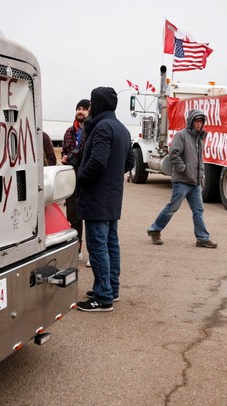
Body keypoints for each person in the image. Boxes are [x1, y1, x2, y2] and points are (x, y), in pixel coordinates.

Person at [76, 86, 134, 312]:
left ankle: (102, 297)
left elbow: (97, 162)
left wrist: (79, 178)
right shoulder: (121, 128)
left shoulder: (101, 127)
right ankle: (111, 288)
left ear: (97, 104)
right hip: (112, 196)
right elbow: (129, 162)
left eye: (91, 103)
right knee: (111, 243)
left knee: (98, 245)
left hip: (97, 197)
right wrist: (112, 175)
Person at [147, 109, 218, 249]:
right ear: (191, 121)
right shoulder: (181, 136)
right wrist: (183, 170)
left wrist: (200, 173)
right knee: (172, 208)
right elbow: (173, 154)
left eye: (201, 121)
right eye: (197, 121)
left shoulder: (199, 138)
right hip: (182, 181)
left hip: (195, 182)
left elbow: (198, 160)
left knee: (198, 210)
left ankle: (202, 238)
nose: (199, 124)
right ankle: (155, 230)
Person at [61, 99, 90, 261]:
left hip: (87, 179)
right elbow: (65, 152)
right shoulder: (69, 132)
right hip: (71, 179)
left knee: (92, 217)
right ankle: (76, 249)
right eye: (78, 108)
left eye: (84, 109)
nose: (81, 111)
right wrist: (65, 158)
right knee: (73, 217)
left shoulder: (92, 131)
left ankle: (93, 253)